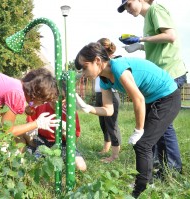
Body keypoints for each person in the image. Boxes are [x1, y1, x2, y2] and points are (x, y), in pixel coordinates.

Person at [75, 42, 180, 198]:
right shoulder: (104, 80)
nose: (83, 73)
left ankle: (139, 191)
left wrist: (139, 130)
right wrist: (87, 108)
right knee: (146, 143)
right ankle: (147, 180)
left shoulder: (119, 67)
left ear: (97, 60)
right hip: (153, 98)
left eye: (84, 67)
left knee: (142, 143)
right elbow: (108, 110)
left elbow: (138, 99)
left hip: (168, 96)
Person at [117, 0, 187, 177]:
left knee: (162, 123)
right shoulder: (147, 18)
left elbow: (170, 36)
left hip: (170, 73)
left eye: (129, 4)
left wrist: (141, 39)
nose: (127, 9)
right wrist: (140, 46)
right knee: (157, 122)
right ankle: (160, 164)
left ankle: (172, 169)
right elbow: (158, 43)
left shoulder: (156, 9)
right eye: (124, 7)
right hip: (161, 75)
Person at [21, 81, 87, 171]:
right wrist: (33, 127)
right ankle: (32, 150)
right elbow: (30, 107)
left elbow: (74, 140)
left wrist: (66, 132)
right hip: (41, 141)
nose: (56, 103)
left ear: (66, 99)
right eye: (53, 99)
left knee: (81, 167)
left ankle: (41, 154)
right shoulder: (41, 105)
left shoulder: (70, 112)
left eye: (61, 100)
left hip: (63, 144)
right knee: (34, 164)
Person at [95, 38, 121, 163]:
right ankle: (106, 148)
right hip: (99, 94)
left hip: (111, 94)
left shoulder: (113, 60)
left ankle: (115, 155)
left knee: (112, 124)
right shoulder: (96, 61)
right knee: (103, 124)